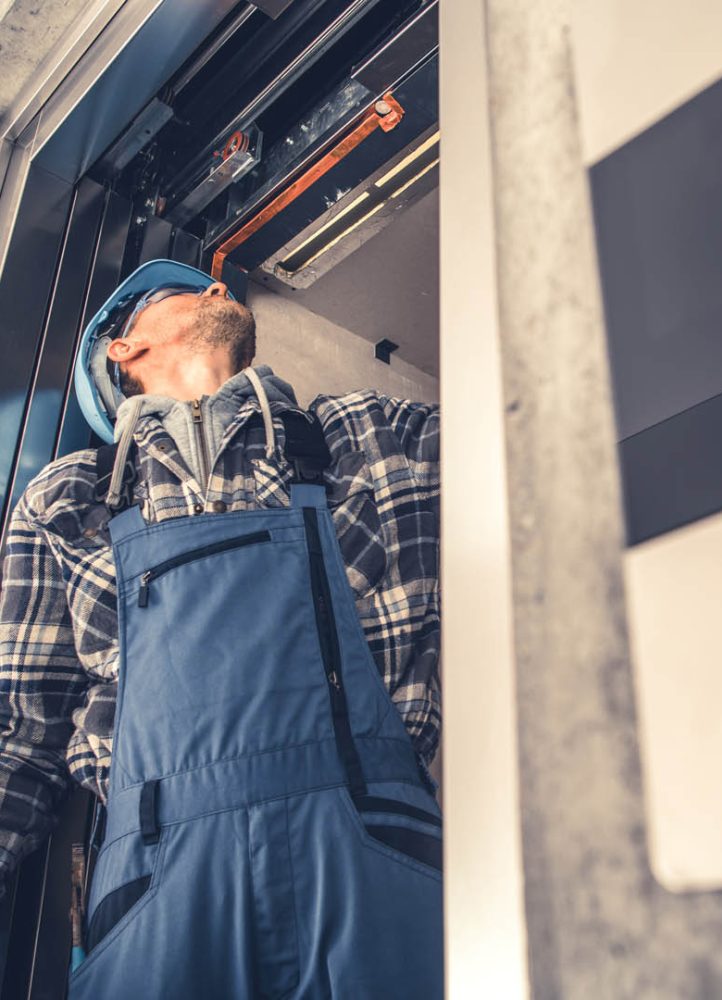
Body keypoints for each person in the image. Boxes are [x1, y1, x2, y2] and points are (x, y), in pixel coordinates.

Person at [0, 260, 442, 998]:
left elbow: (547, 438)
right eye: (188, 290)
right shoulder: (67, 501)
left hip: (378, 859)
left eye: (215, 286)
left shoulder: (374, 435)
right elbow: (18, 740)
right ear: (123, 348)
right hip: (156, 898)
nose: (217, 289)